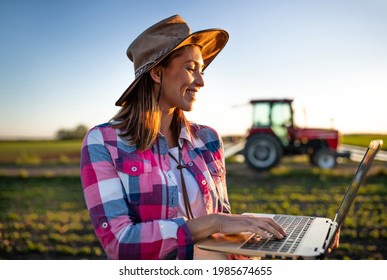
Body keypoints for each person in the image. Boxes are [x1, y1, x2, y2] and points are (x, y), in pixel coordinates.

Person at [80, 14, 288, 260]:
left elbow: (222, 219)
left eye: (201, 70)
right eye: (191, 69)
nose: (201, 81)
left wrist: (254, 242)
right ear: (157, 73)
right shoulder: (103, 142)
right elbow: (120, 243)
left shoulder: (208, 139)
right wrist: (214, 224)